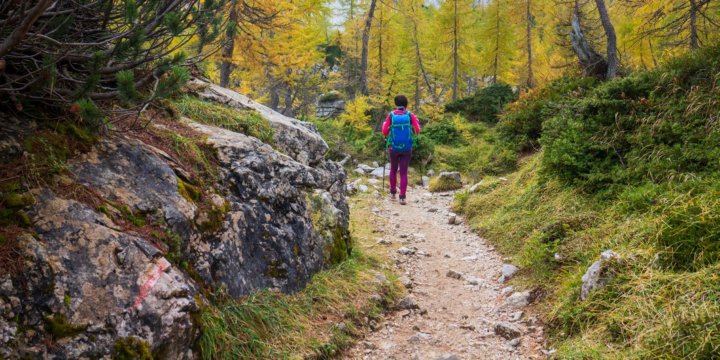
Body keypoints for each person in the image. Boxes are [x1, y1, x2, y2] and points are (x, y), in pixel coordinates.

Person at [382, 95, 421, 205]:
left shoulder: (391, 115)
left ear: (396, 104)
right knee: (403, 172)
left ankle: (393, 192)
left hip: (393, 147)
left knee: (393, 169)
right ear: (406, 104)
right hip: (407, 148)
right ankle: (402, 197)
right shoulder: (410, 115)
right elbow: (418, 130)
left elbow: (384, 131)